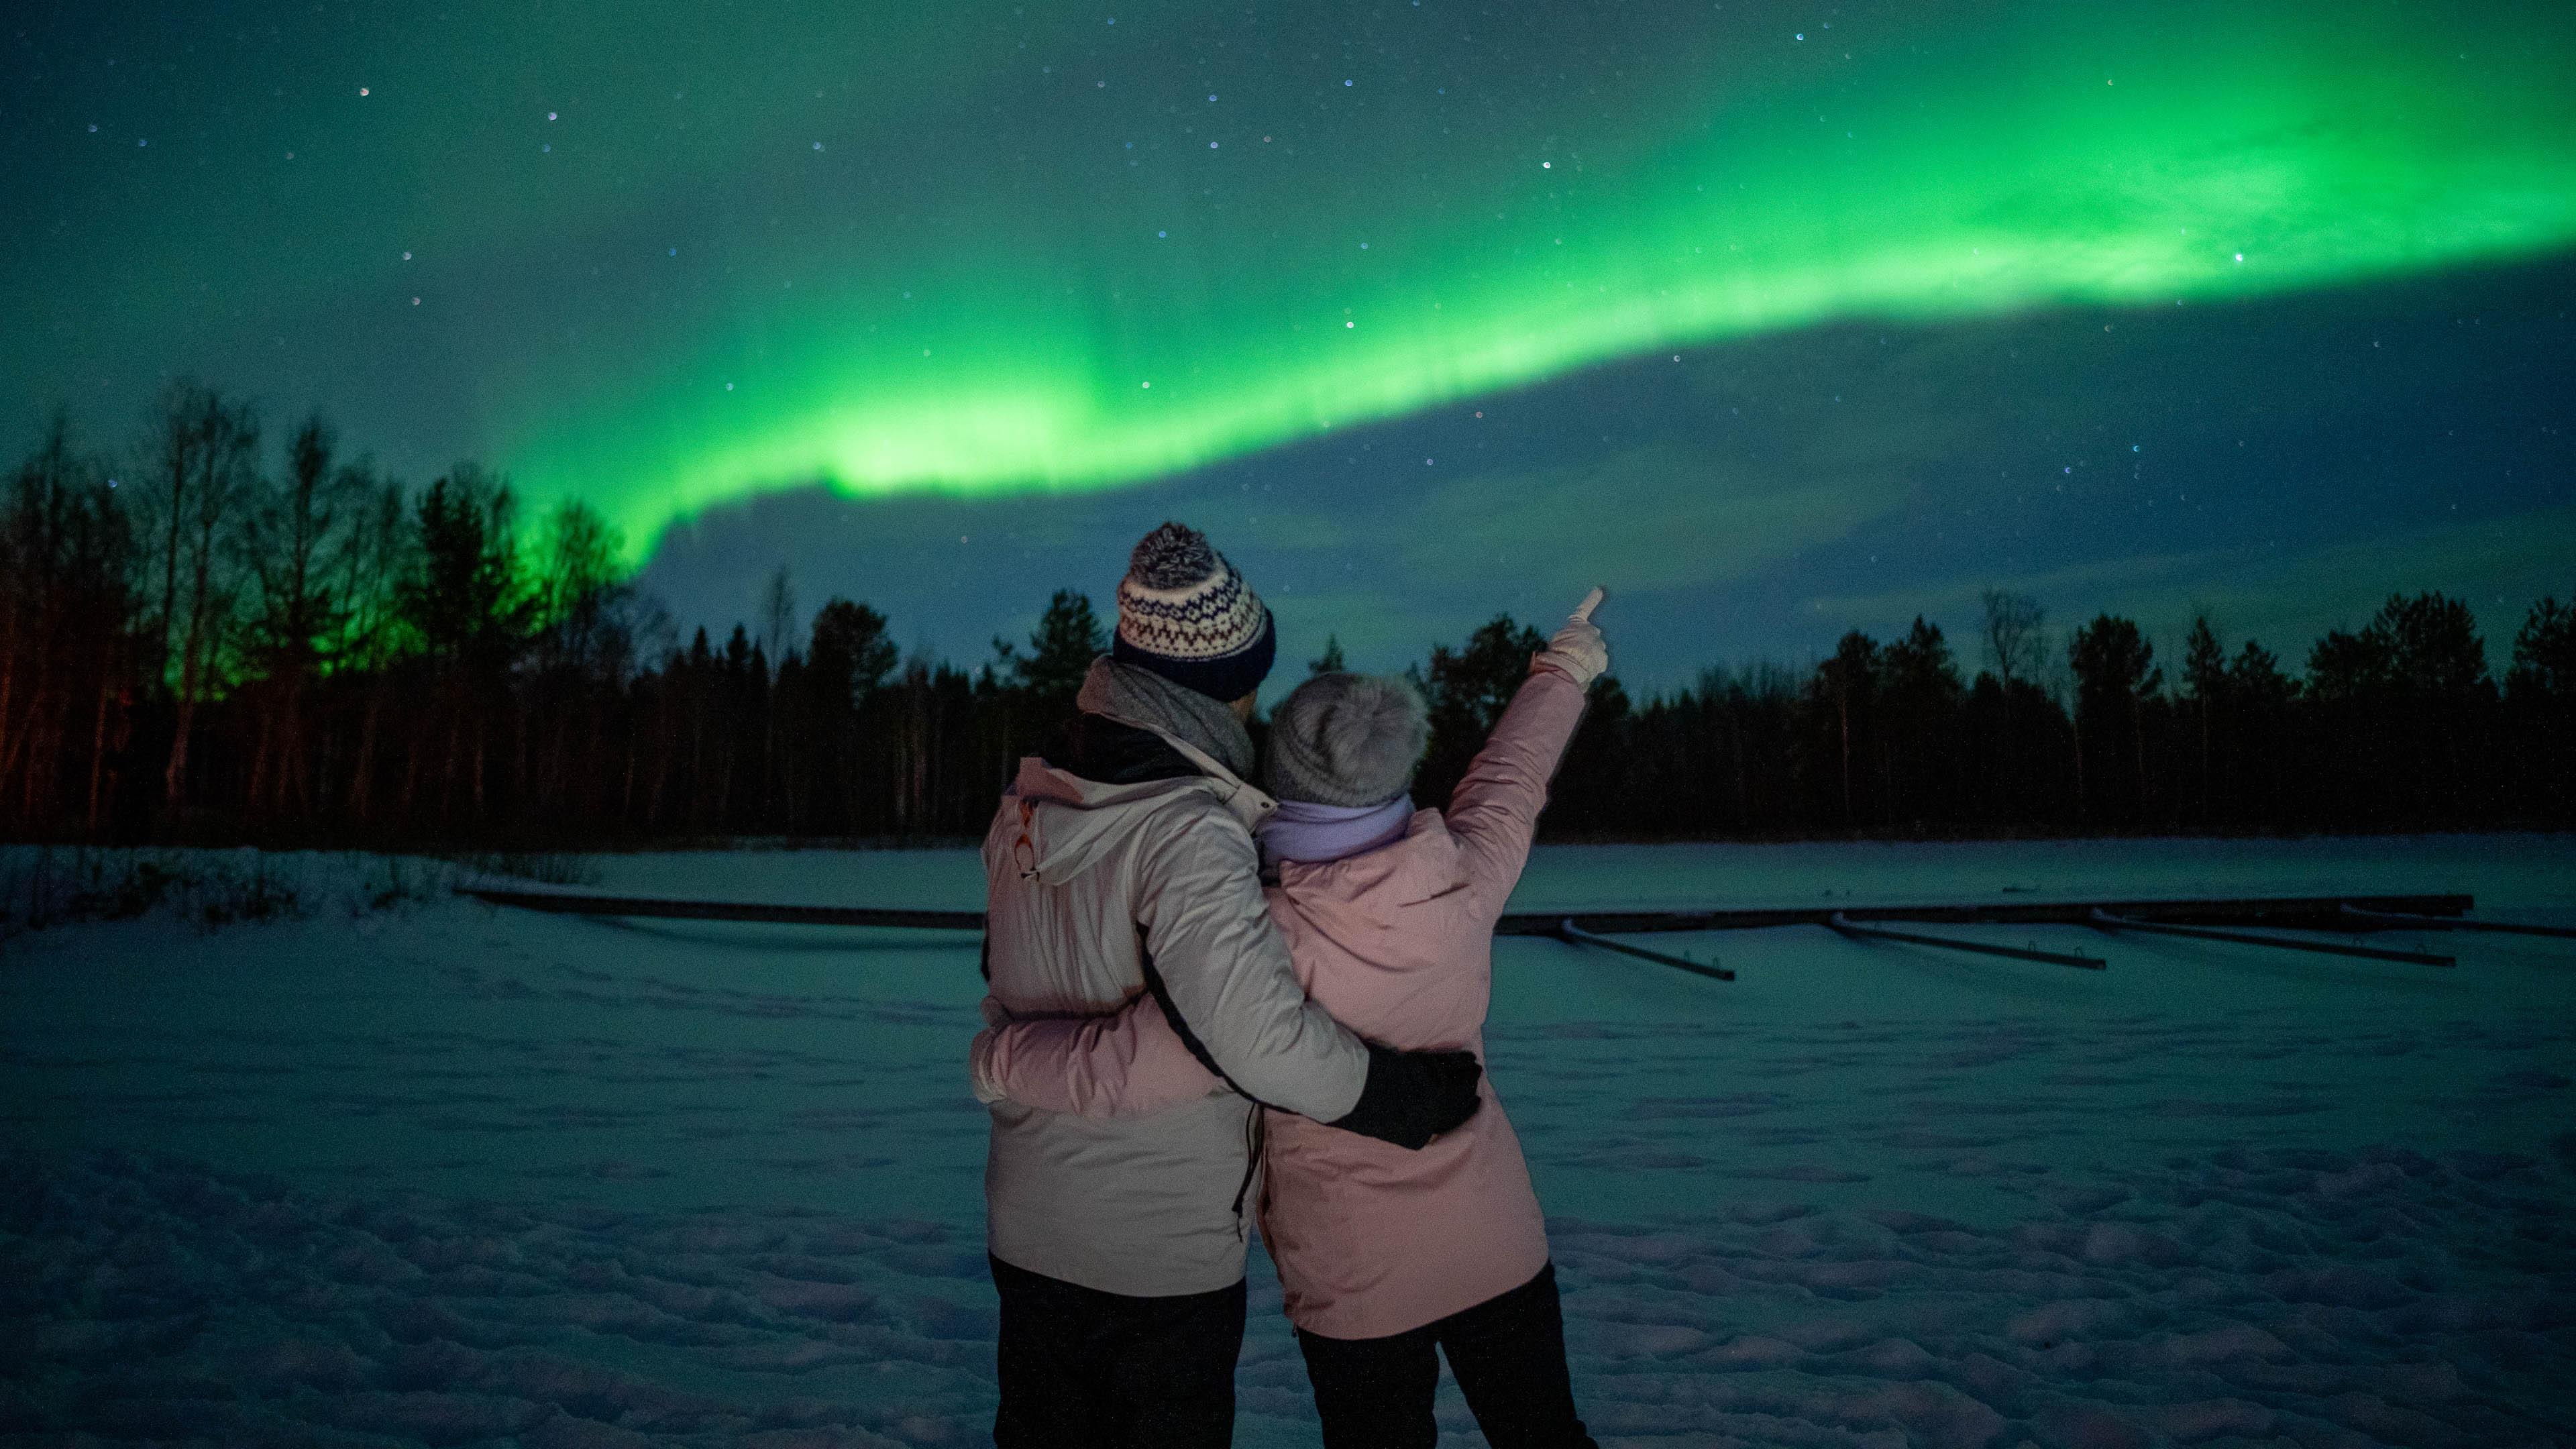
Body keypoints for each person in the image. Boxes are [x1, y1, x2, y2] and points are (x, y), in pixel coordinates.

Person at [975, 586, 1612, 1449]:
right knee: (1545, 1435)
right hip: (1497, 1245)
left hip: (1356, 1282)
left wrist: (1002, 1061)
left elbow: (1142, 1065)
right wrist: (1562, 669)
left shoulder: (1265, 931)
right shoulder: (1465, 877)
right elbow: (1512, 777)